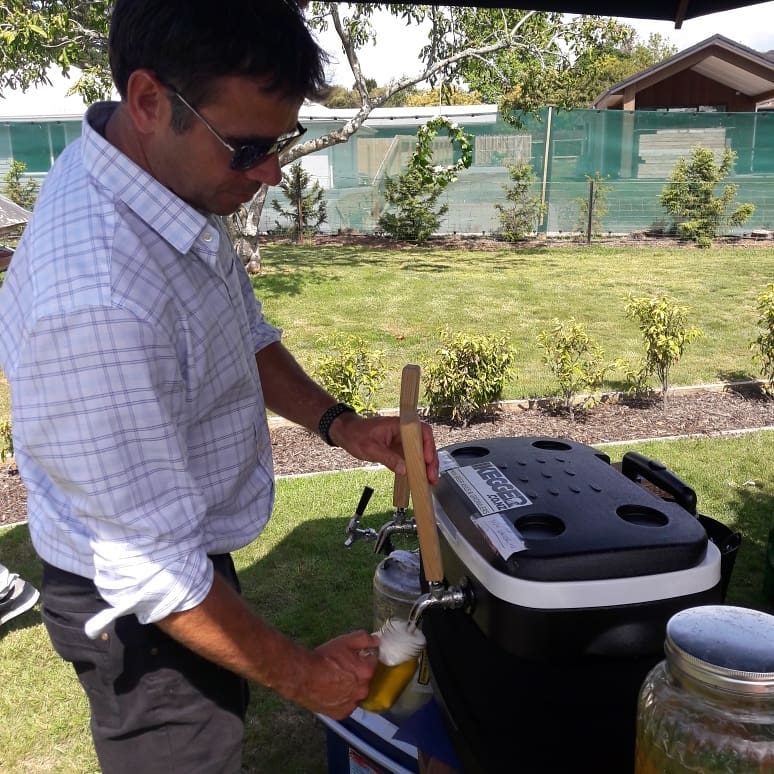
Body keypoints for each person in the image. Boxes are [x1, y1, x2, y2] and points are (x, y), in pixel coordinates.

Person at [0, 1, 439, 772]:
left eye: (281, 142)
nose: (270, 173)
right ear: (148, 100)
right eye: (249, 149)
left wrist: (338, 423)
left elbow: (241, 331)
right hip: (141, 607)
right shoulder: (97, 298)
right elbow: (154, 574)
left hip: (181, 560)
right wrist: (307, 677)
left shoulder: (164, 181)